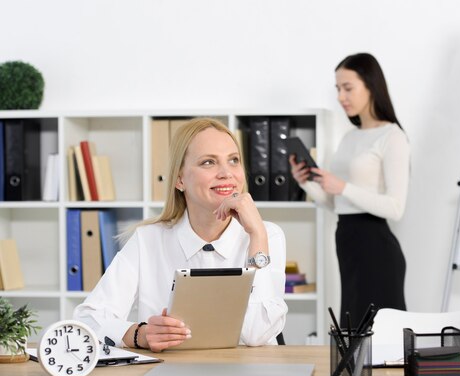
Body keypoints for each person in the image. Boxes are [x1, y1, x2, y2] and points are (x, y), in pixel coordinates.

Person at [75, 117, 288, 352]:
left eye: (233, 160)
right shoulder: (148, 240)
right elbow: (87, 321)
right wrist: (140, 334)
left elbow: (258, 334)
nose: (227, 173)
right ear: (179, 179)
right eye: (209, 162)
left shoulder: (267, 235)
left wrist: (256, 235)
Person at [290, 52, 410, 327]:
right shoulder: (350, 137)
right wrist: (306, 181)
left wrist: (343, 187)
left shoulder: (393, 137)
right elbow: (338, 204)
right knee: (352, 335)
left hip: (376, 248)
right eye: (337, 89)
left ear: (370, 86)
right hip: (347, 242)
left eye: (348, 88)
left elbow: (396, 207)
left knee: (378, 340)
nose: (341, 96)